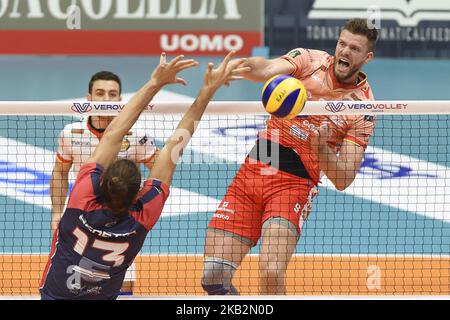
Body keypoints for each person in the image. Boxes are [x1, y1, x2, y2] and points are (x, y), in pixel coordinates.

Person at [40, 51, 248, 300]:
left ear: (101, 183)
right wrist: (207, 92)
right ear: (138, 193)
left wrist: (155, 82)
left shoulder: (80, 202)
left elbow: (114, 133)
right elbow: (172, 150)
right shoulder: (142, 217)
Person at [202, 18, 378, 295]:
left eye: (354, 48)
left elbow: (344, 178)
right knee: (213, 277)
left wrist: (322, 151)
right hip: (257, 166)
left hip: (295, 183)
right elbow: (268, 68)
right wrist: (241, 68)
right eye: (342, 43)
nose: (344, 51)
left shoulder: (364, 107)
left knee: (271, 272)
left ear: (367, 57)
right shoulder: (310, 60)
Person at [50, 71, 158, 295]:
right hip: (82, 220)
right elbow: (60, 172)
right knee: (69, 282)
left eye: (112, 94)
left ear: (120, 100)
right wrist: (56, 212)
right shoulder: (71, 133)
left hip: (120, 222)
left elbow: (158, 166)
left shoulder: (136, 134)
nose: (106, 100)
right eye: (100, 93)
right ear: (89, 98)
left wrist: (140, 200)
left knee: (123, 285)